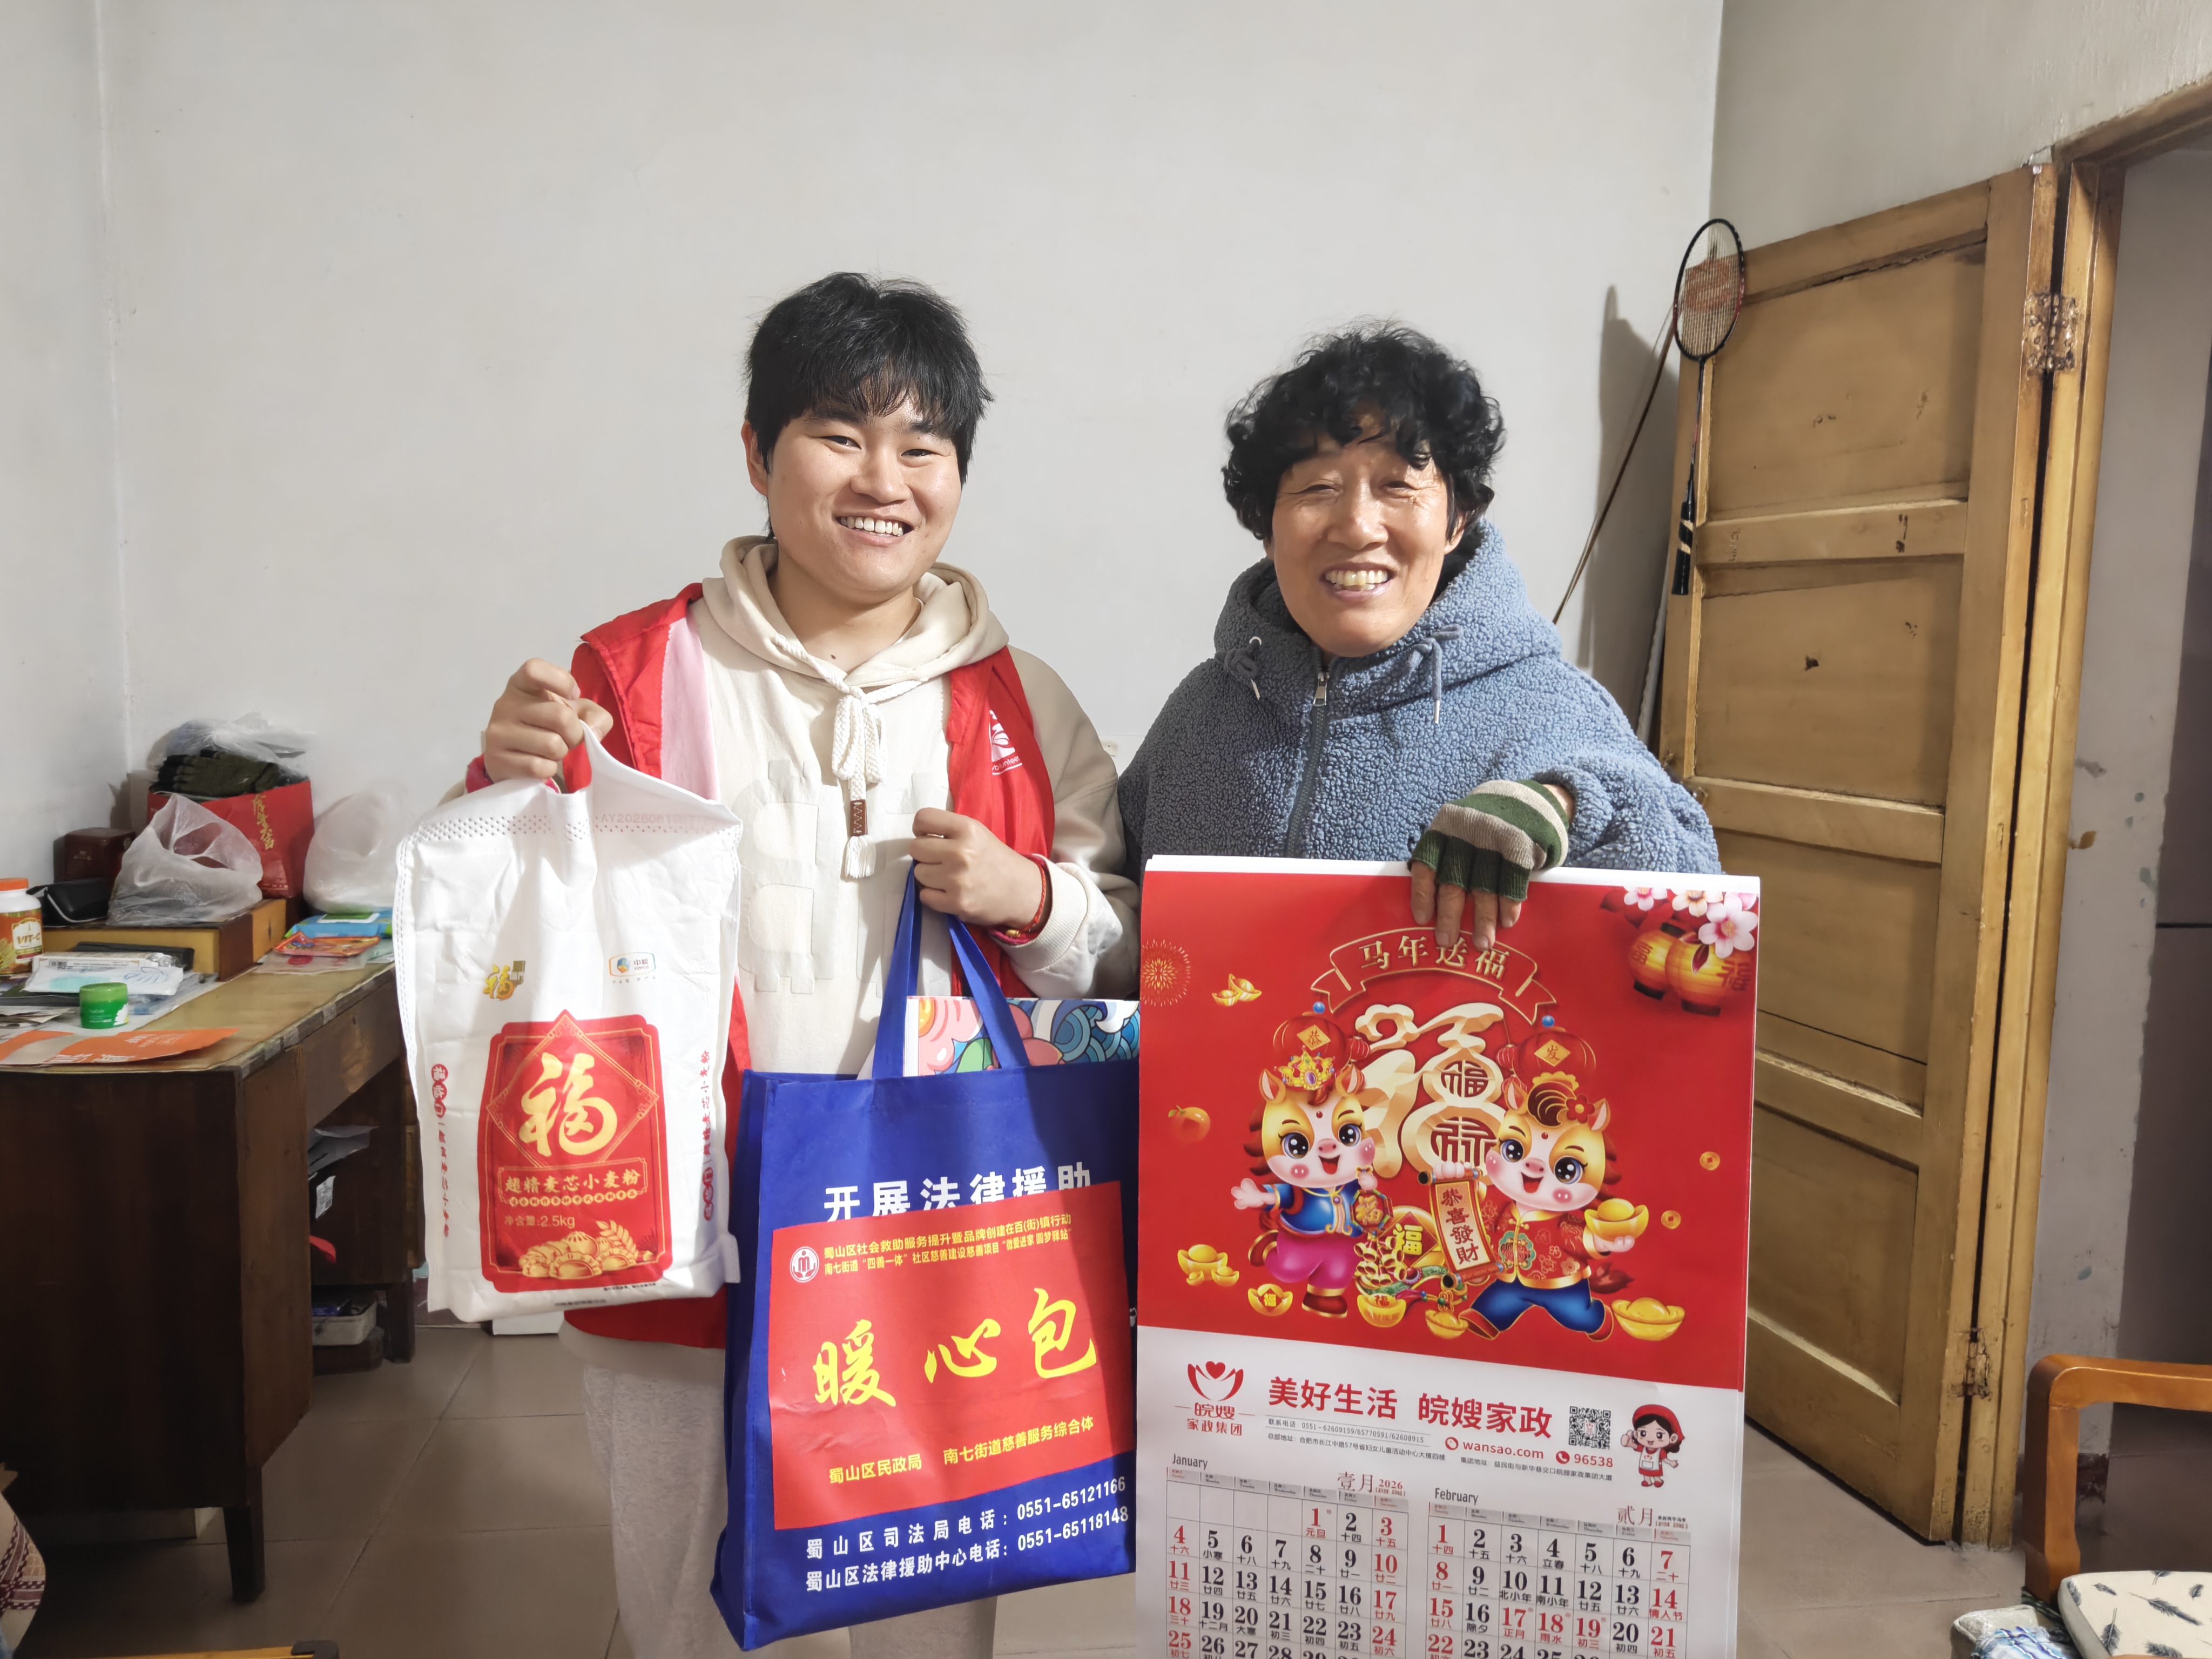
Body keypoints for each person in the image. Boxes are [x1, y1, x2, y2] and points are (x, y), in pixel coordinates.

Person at [470, 273, 1137, 1659]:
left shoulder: (1016, 696)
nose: (883, 480)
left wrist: (1032, 898)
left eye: (922, 446)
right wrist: (501, 780)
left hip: (939, 1225)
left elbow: (1126, 950)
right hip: (691, 1238)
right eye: (840, 435)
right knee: (686, 1599)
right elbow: (506, 923)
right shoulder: (634, 672)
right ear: (756, 452)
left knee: (928, 1595)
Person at [1118, 323, 1718, 938]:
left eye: (1398, 487)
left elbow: (1700, 896)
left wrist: (1567, 804)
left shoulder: (1550, 707)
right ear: (1267, 530)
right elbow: (1118, 917)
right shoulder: (1198, 716)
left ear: (1457, 520)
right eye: (1318, 488)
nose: (1358, 526)